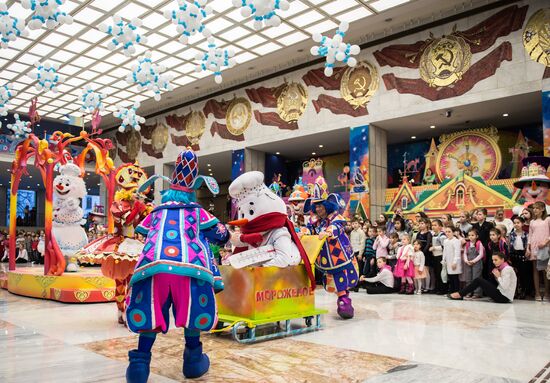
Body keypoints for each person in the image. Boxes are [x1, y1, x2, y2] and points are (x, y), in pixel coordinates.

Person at [125, 149, 230, 382]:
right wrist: (223, 230)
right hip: (189, 268)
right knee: (192, 311)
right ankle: (193, 362)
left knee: (150, 315)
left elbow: (141, 231)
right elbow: (221, 235)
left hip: (152, 268)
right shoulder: (197, 211)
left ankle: (138, 369)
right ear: (193, 188)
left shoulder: (156, 212)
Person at [304, 177, 358, 319]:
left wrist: (329, 232)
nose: (318, 209)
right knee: (330, 277)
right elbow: (310, 230)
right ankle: (342, 297)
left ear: (327, 205)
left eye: (320, 206)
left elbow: (338, 227)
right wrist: (302, 232)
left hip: (338, 253)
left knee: (340, 274)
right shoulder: (315, 220)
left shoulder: (336, 216)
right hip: (324, 256)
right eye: (316, 206)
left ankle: (344, 300)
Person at [449, 253, 517, 303]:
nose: (494, 262)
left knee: (479, 280)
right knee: (481, 281)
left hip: (504, 298)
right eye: (493, 260)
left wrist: (498, 276)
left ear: (502, 260)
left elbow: (505, 286)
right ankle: (461, 294)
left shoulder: (507, 269)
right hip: (501, 295)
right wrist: (497, 277)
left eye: (496, 260)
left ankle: (460, 294)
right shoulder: (502, 268)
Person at [526, 201, 550, 301]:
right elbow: (530, 236)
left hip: (545, 247)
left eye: (537, 208)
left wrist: (546, 241)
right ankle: (537, 293)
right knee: (535, 270)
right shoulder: (532, 222)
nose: (535, 210)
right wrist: (528, 248)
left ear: (543, 209)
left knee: (545, 270)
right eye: (534, 208)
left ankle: (547, 293)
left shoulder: (548, 219)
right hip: (534, 247)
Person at [509, 216, 531, 299]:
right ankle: (515, 291)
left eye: (518, 223)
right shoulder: (511, 234)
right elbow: (509, 246)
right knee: (514, 274)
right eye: (514, 223)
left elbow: (527, 245)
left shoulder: (526, 234)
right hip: (513, 255)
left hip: (523, 255)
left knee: (523, 274)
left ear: (522, 224)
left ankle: (523, 291)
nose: (516, 224)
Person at [462, 229, 484, 298]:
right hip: (468, 263)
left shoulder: (479, 243)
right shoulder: (467, 244)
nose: (470, 237)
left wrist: (473, 261)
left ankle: (477, 293)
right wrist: (466, 261)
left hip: (476, 263)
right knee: (468, 278)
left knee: (476, 278)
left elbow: (481, 254)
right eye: (469, 235)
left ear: (477, 236)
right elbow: (465, 253)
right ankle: (469, 292)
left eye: (472, 235)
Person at [472, 208, 494, 279]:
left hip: (486, 248)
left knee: (486, 266)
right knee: (478, 266)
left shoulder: (489, 225)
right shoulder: (474, 225)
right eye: (477, 214)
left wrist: (484, 246)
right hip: (477, 247)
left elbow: (490, 237)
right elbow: (473, 236)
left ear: (484, 216)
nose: (478, 216)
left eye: (480, 214)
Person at [429, 219, 447, 294]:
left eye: (435, 225)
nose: (433, 227)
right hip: (435, 256)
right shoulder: (433, 235)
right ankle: (437, 288)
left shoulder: (442, 236)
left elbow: (444, 247)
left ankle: (443, 289)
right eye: (432, 225)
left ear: (440, 226)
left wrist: (434, 248)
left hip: (440, 256)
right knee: (436, 273)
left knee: (441, 273)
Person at [415, 218, 432, 293]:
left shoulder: (428, 234)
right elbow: (416, 243)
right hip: (418, 254)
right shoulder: (418, 233)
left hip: (426, 254)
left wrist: (422, 253)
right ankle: (421, 286)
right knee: (419, 271)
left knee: (426, 271)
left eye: (422, 223)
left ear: (427, 224)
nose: (420, 225)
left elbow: (428, 244)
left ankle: (427, 287)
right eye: (420, 223)